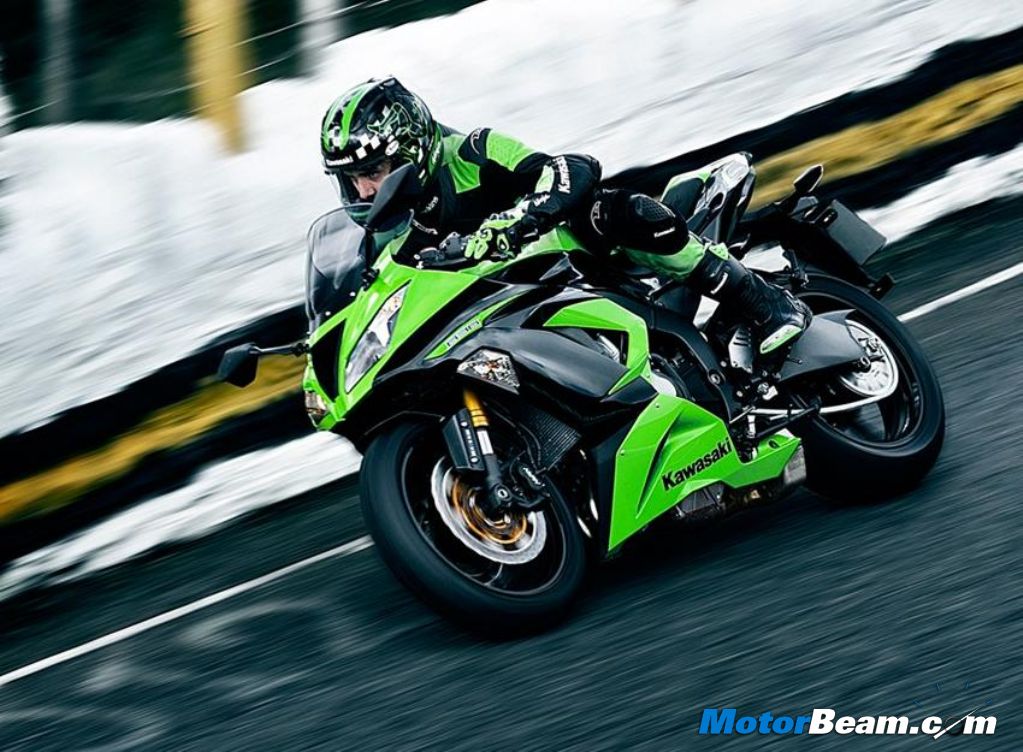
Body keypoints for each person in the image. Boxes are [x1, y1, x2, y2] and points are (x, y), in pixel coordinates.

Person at [320, 76, 810, 356]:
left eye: (373, 171)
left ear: (411, 148)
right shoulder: (391, 235)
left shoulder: (473, 151)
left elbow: (570, 170)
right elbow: (373, 291)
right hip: (497, 313)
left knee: (608, 211)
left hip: (574, 260)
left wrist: (515, 223)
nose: (364, 190)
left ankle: (763, 300)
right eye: (352, 179)